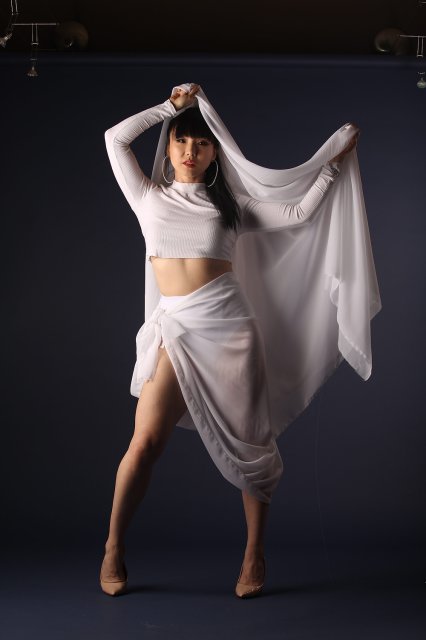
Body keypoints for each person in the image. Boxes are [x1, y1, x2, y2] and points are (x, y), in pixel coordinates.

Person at [99, 83, 361, 598]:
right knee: (145, 442)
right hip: (176, 328)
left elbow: (298, 215)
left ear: (215, 153)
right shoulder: (147, 197)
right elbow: (114, 139)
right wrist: (169, 108)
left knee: (252, 443)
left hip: (231, 330)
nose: (190, 151)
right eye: (181, 141)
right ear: (169, 147)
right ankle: (112, 547)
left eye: (201, 143)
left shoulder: (232, 207)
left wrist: (333, 164)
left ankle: (253, 554)